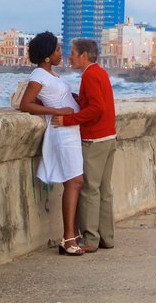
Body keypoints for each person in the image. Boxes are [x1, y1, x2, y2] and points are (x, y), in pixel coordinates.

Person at [18, 31, 85, 256]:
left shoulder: (52, 75)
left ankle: (72, 236)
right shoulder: (39, 74)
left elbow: (42, 99)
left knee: (74, 181)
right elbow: (26, 104)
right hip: (62, 132)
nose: (61, 53)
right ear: (47, 55)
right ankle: (68, 238)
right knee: (74, 181)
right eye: (57, 49)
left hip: (71, 130)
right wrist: (56, 110)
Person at [53, 39, 117, 252]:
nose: (69, 56)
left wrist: (67, 120)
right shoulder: (100, 72)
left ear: (84, 55)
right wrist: (79, 101)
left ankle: (90, 240)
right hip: (108, 137)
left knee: (90, 190)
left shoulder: (89, 75)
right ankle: (106, 237)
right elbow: (98, 105)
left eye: (72, 53)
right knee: (104, 191)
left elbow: (96, 109)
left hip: (95, 139)